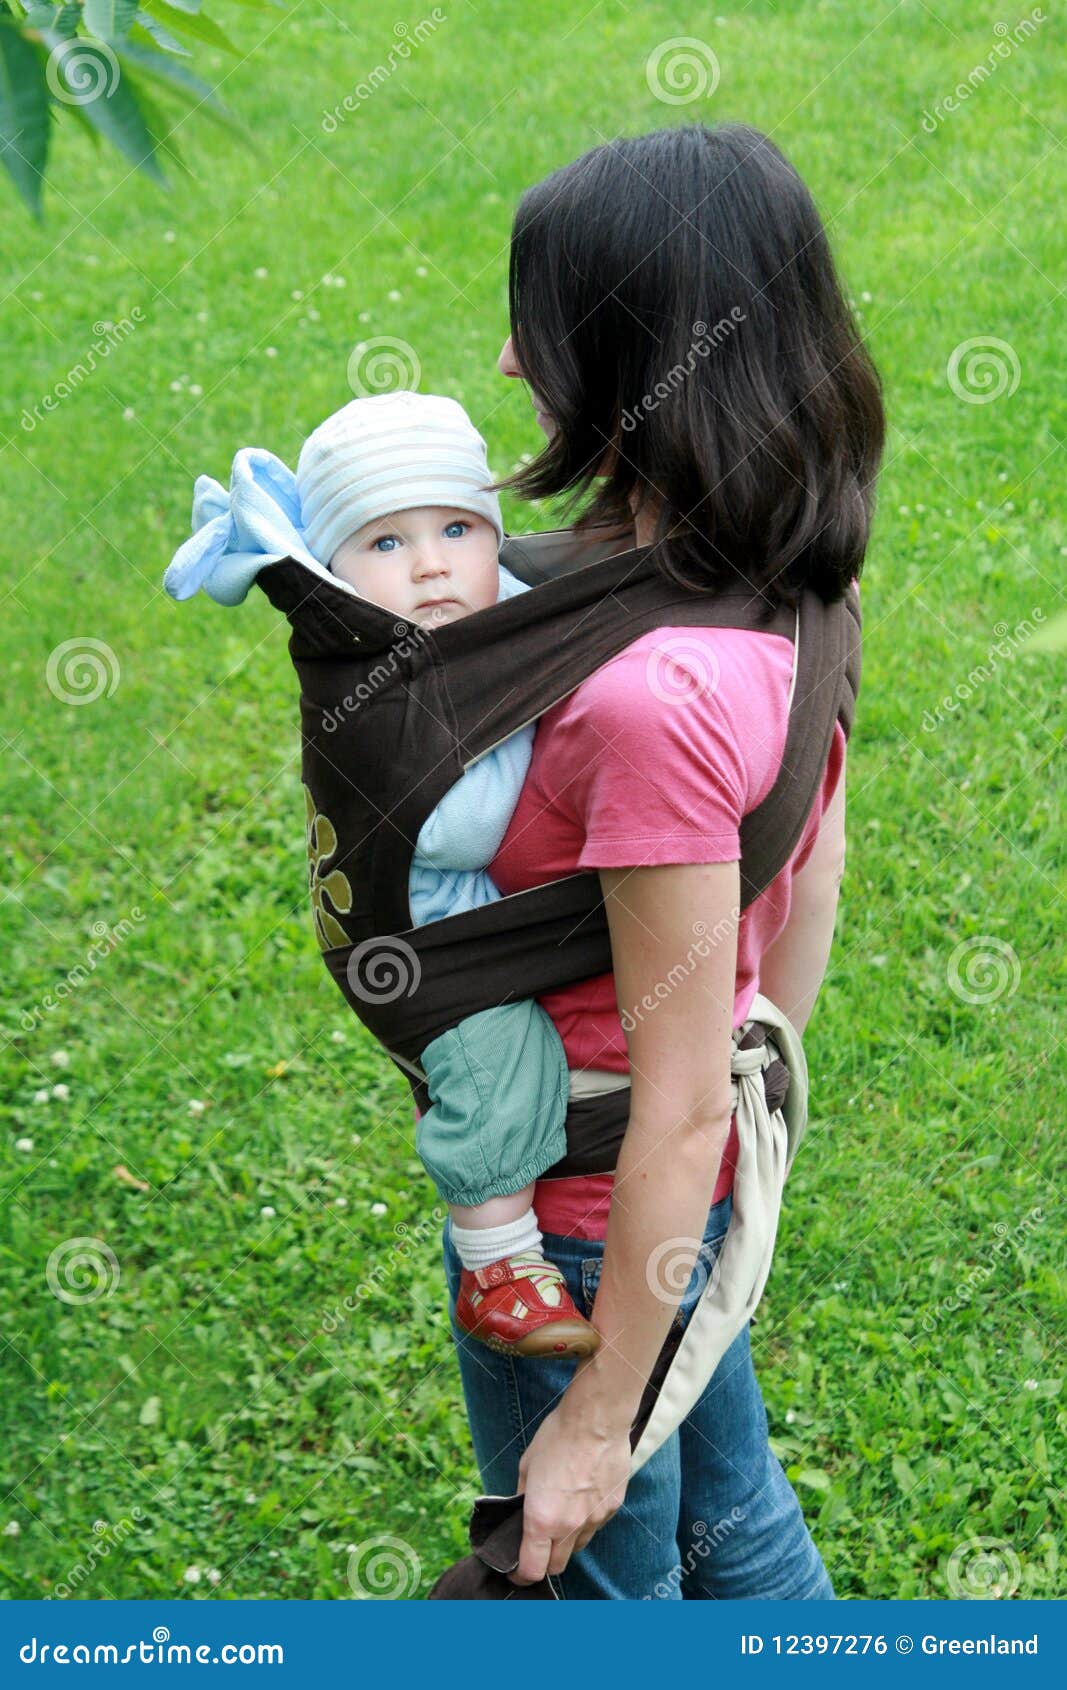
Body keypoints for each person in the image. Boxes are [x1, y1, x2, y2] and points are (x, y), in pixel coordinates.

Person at [439, 120, 885, 1598]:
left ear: (634, 360)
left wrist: (591, 1417)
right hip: (667, 1210)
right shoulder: (789, 588)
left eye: (541, 327)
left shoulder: (642, 699)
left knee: (597, 1596)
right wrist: (719, 1145)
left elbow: (678, 1100)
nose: (510, 361)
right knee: (735, 1531)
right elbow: (809, 874)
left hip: (581, 1234)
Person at [162, 391, 610, 1360]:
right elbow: (455, 823)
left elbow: (542, 606)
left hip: (467, 919)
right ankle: (497, 1266)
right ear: (335, 570)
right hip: (416, 943)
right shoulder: (363, 674)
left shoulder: (483, 610)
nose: (431, 564)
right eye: (386, 542)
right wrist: (542, 705)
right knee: (497, 1069)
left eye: (457, 528)